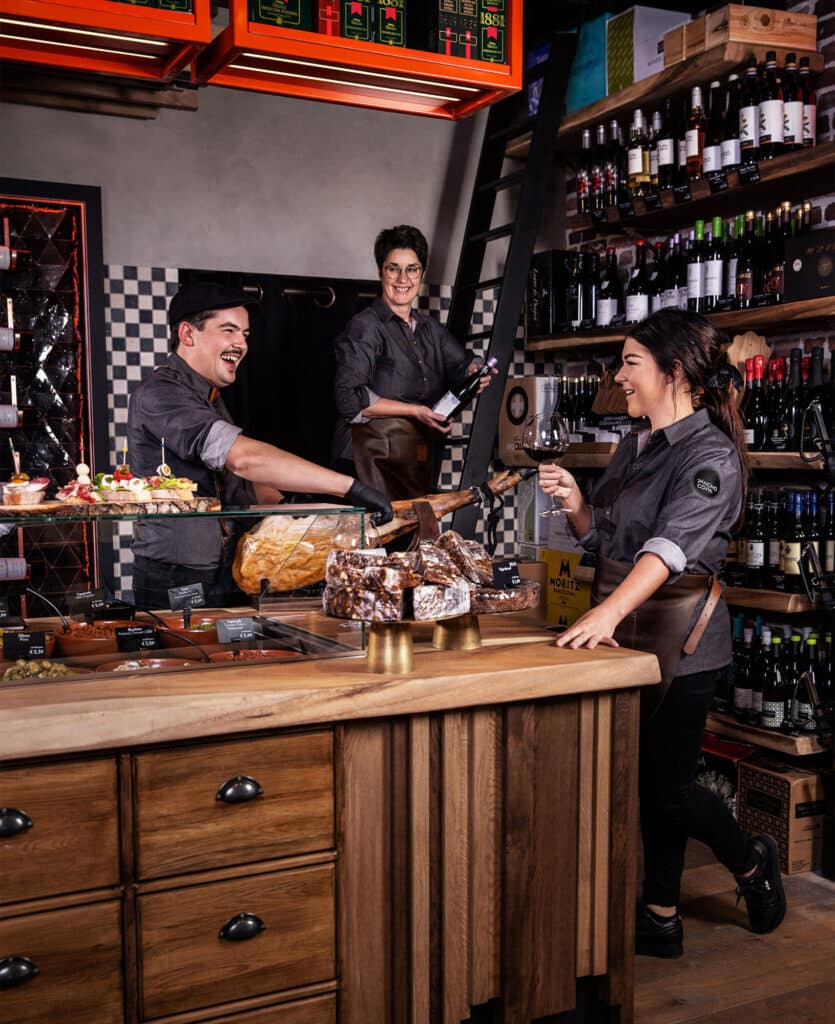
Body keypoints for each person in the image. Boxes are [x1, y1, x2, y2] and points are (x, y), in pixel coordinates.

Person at [539, 309, 786, 958]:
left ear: (671, 373)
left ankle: (753, 863)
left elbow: (669, 551)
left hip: (682, 639)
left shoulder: (709, 455)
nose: (617, 376)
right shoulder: (633, 443)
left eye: (629, 363)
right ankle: (660, 912)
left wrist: (606, 613)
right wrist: (574, 505)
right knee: (648, 782)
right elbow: (607, 541)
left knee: (669, 789)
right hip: (629, 632)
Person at [127, 281, 392, 610]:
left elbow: (244, 493)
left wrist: (335, 512)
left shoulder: (209, 399)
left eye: (246, 335)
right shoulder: (161, 394)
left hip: (225, 570)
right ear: (187, 334)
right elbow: (243, 459)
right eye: (229, 330)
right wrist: (348, 488)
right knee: (182, 663)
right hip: (175, 575)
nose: (241, 344)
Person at [333, 224, 495, 499]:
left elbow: (463, 363)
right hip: (362, 462)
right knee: (373, 540)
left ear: (421, 273)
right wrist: (416, 411)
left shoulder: (430, 329)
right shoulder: (365, 326)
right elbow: (348, 398)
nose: (402, 279)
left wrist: (477, 370)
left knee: (411, 539)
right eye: (393, 268)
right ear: (380, 271)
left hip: (409, 459)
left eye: (412, 269)